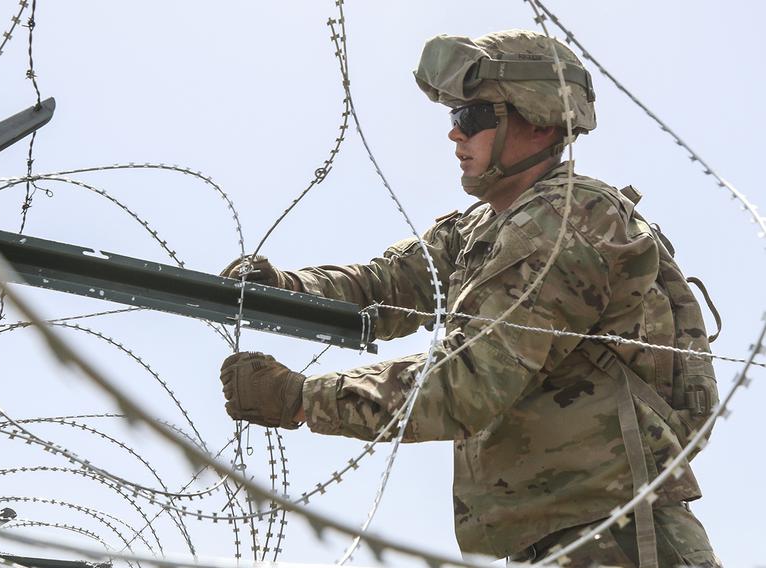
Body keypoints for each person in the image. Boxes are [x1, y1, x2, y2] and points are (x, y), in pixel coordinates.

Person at [219, 29, 722, 567]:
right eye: (454, 118)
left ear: (538, 119)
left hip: (621, 538)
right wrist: (284, 290)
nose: (456, 136)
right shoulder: (485, 226)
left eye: (474, 117)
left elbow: (470, 380)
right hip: (557, 537)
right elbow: (382, 286)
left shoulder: (566, 222)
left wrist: (302, 398)